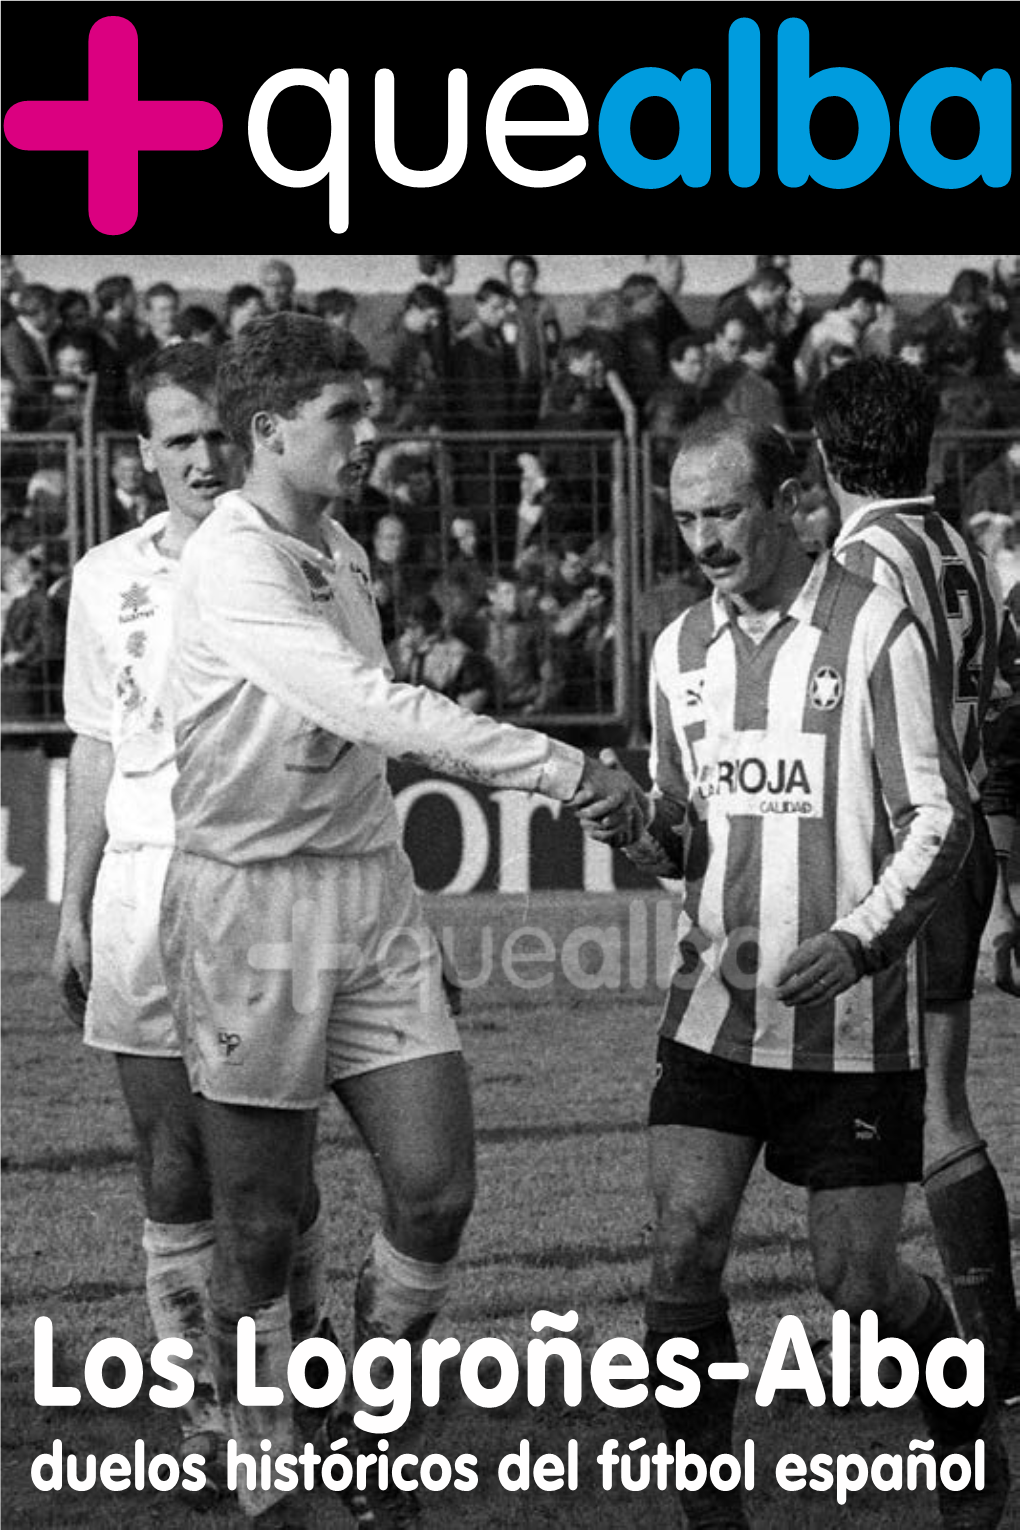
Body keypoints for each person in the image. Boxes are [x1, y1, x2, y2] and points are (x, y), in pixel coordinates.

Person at [158, 312, 643, 1526]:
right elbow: (373, 709)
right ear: (270, 432)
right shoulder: (231, 560)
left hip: (366, 896)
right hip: (249, 908)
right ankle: (261, 1445)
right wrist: (562, 767)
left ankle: (370, 1424)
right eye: (344, 416)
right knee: (262, 1223)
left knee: (435, 1189)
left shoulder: (340, 553)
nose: (367, 437)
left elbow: (361, 764)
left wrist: (412, 917)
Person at [583, 412, 1006, 1530]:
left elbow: (940, 816)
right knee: (681, 1247)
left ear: (788, 504)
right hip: (714, 1010)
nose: (705, 539)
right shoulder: (679, 650)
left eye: (724, 512)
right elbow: (688, 833)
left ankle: (966, 1434)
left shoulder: (874, 631)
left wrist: (860, 938)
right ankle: (708, 1510)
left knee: (858, 1285)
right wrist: (642, 832)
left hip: (855, 1023)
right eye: (685, 518)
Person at [51, 344, 253, 1497]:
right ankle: (203, 1412)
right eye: (178, 439)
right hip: (137, 887)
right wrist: (72, 906)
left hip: (262, 885)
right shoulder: (102, 576)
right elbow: (94, 741)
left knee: (271, 1172)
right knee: (170, 1160)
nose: (202, 458)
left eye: (218, 435)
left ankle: (290, 1390)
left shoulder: (304, 557)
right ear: (143, 456)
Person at [814, 356, 1020, 1408]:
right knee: (937, 1101)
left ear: (820, 449)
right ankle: (990, 1350)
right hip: (968, 836)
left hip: (903, 847)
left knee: (890, 1106)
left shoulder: (859, 557)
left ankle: (919, 1327)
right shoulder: (960, 546)